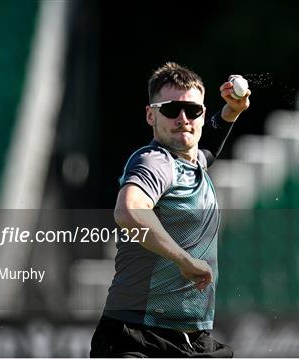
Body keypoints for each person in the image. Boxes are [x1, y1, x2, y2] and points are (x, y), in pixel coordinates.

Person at [90, 62, 250, 357]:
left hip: (193, 338)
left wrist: (231, 111)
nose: (183, 118)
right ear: (151, 115)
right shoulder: (155, 161)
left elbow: (209, 143)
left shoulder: (193, 162)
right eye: (171, 110)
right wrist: (184, 260)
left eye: (193, 111)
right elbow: (129, 211)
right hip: (139, 338)